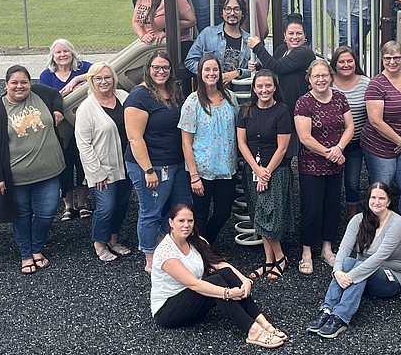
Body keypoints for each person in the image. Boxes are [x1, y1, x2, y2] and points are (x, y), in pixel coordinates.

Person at [150, 203, 286, 348]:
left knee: (225, 274)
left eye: (190, 221)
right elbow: (193, 284)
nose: (186, 225)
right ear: (171, 222)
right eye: (181, 221)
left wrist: (245, 281)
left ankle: (262, 322)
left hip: (191, 301)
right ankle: (253, 330)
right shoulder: (165, 251)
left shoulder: (196, 241)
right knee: (216, 281)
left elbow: (220, 264)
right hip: (168, 311)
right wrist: (227, 293)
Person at [0, 66, 67, 275]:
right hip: (17, 177)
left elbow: (56, 95)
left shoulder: (40, 93)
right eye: (14, 83)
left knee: (46, 213)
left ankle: (37, 247)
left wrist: (57, 109)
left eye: (24, 82)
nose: (20, 86)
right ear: (6, 84)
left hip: (49, 171)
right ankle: (26, 254)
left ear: (29, 82)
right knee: (22, 215)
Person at [307, 183, 401, 339]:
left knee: (357, 264)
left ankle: (340, 317)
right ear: (368, 199)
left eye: (382, 198)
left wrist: (350, 276)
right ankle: (326, 310)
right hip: (360, 275)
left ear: (388, 202)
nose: (377, 202)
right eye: (373, 197)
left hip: (390, 277)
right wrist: (337, 271)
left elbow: (379, 257)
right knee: (346, 261)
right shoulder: (358, 219)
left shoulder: (397, 223)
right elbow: (344, 248)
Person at [124, 53, 191, 273]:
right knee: (151, 211)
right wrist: (148, 170)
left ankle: (174, 247)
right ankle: (150, 257)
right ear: (148, 68)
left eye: (165, 67)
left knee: (180, 209)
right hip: (152, 166)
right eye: (156, 67)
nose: (161, 72)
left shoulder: (172, 92)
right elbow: (135, 137)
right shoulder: (138, 97)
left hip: (176, 162)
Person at [361, 40, 401, 245]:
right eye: (387, 58)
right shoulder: (376, 84)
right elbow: (375, 121)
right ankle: (376, 229)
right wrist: (400, 141)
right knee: (381, 189)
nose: (392, 61)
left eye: (396, 57)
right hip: (380, 146)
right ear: (382, 59)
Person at [294, 58, 354, 272]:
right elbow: (305, 138)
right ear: (309, 79)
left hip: (335, 163)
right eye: (316, 76)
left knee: (332, 206)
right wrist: (331, 153)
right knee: (311, 209)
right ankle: (307, 251)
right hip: (312, 165)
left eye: (324, 75)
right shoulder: (304, 102)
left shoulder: (340, 98)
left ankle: (327, 248)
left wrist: (339, 149)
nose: (321, 79)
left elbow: (350, 127)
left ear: (331, 77)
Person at [236, 70, 294, 279]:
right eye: (260, 86)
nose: (264, 90)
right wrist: (256, 170)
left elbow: (282, 147)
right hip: (253, 169)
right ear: (254, 88)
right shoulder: (245, 110)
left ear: (275, 87)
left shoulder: (282, 112)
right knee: (258, 214)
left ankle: (280, 258)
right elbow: (241, 143)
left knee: (269, 216)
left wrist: (266, 173)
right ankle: (269, 261)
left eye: (268, 85)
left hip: (275, 171)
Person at [74, 63, 132, 263]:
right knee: (106, 206)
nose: (103, 82)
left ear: (114, 78)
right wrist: (96, 172)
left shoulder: (124, 97)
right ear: (91, 81)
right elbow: (83, 144)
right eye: (98, 78)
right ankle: (99, 242)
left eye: (107, 77)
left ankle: (114, 240)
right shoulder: (87, 108)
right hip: (102, 168)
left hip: (127, 164)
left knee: (122, 204)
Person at [179, 55, 239, 246]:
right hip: (202, 171)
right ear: (200, 73)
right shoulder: (192, 102)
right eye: (207, 70)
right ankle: (201, 255)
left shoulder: (230, 98)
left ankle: (205, 245)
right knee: (201, 215)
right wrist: (194, 175)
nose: (211, 74)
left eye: (215, 70)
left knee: (223, 213)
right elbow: (186, 142)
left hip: (226, 170)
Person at [40, 38, 92, 221]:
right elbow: (43, 97)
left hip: (83, 123)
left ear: (72, 53)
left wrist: (77, 80)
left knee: (83, 161)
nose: (62, 55)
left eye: (65, 51)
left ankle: (83, 202)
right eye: (58, 52)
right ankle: (68, 205)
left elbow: (103, 70)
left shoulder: (83, 68)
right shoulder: (47, 75)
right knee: (65, 163)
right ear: (53, 56)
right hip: (62, 128)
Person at [248, 13, 315, 112]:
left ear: (305, 36)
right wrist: (258, 67)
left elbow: (276, 67)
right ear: (285, 35)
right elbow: (273, 71)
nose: (295, 37)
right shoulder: (282, 49)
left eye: (299, 33)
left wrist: (258, 47)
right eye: (291, 33)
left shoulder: (305, 52)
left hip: (299, 106)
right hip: (283, 104)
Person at [330, 46, 368, 216]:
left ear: (355, 62)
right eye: (341, 61)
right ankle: (331, 217)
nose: (346, 65)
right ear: (335, 64)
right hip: (331, 145)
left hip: (356, 144)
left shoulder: (366, 83)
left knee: (352, 183)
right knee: (332, 184)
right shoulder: (328, 84)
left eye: (349, 61)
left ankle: (352, 218)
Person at [185, 0, 253, 83]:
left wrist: (239, 73)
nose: (232, 13)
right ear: (222, 12)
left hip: (239, 91)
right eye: (227, 9)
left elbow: (258, 69)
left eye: (236, 9)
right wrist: (211, 74)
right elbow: (190, 61)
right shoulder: (207, 34)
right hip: (210, 91)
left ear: (242, 13)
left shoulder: (250, 40)